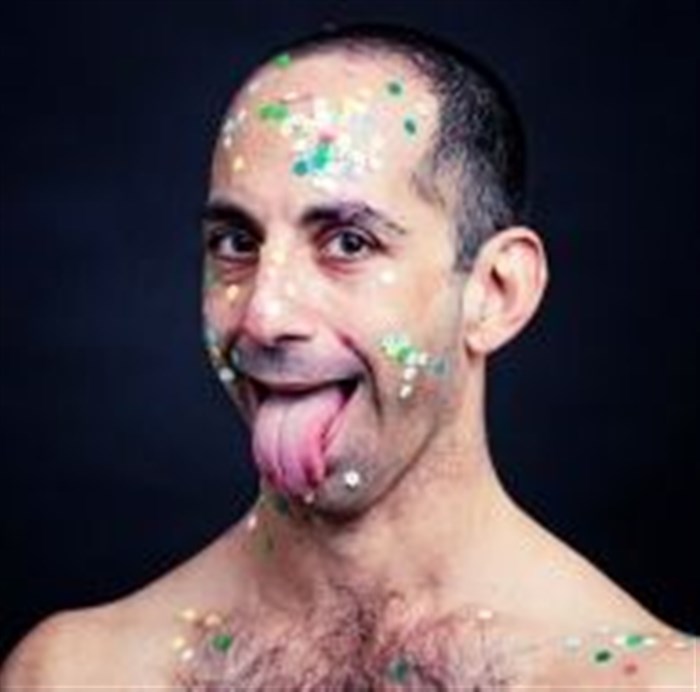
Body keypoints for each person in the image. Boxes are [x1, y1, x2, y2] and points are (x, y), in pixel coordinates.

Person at [1, 23, 695, 691]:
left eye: (348, 243)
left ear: (494, 292)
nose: (264, 316)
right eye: (236, 243)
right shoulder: (73, 674)